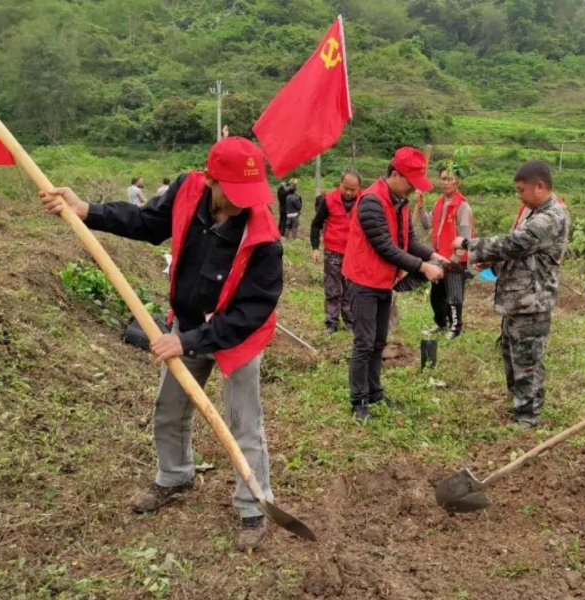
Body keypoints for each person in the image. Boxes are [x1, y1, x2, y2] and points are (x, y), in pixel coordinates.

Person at [39, 137, 284, 552]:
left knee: (243, 424)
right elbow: (146, 222)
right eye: (235, 192)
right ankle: (174, 476)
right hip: (185, 326)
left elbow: (249, 315)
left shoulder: (264, 238)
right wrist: (87, 211)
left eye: (250, 192)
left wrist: (186, 341)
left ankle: (254, 506)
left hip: (234, 337)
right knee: (169, 409)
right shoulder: (187, 190)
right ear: (210, 180)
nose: (244, 202)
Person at [453, 161, 569, 428]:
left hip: (533, 301)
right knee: (512, 355)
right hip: (519, 300)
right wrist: (492, 263)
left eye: (521, 190)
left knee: (527, 361)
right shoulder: (535, 212)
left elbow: (516, 243)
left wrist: (473, 245)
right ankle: (519, 407)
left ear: (539, 186)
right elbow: (522, 254)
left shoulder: (551, 216)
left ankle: (528, 418)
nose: (520, 196)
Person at [342, 147, 446, 423]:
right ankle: (358, 401)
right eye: (411, 182)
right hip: (363, 281)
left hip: (382, 282)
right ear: (395, 174)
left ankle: (375, 392)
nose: (413, 189)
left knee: (379, 341)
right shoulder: (371, 202)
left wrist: (432, 254)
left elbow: (407, 241)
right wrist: (424, 267)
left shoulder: (400, 201)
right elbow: (386, 247)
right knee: (364, 343)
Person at [415, 165, 474, 340]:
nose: (445, 182)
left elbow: (465, 240)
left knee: (454, 297)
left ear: (458, 181)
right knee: (436, 296)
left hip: (455, 261)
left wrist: (452, 262)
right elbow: (427, 224)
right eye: (442, 178)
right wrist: (420, 206)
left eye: (449, 179)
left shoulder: (463, 207)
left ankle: (456, 328)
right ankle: (441, 324)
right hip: (439, 257)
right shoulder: (439, 203)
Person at [310, 168, 362, 335]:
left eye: (352, 189)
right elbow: (316, 224)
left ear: (358, 188)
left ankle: (350, 321)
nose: (348, 192)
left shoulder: (365, 201)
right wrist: (315, 248)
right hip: (333, 250)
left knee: (351, 290)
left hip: (354, 252)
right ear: (340, 184)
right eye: (345, 187)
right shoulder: (329, 199)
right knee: (332, 289)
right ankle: (331, 322)